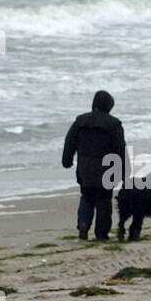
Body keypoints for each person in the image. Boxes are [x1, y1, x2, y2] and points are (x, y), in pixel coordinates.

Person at [61, 90, 127, 241]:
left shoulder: (80, 121)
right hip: (106, 169)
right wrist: (123, 171)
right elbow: (119, 149)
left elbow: (70, 142)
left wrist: (67, 160)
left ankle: (83, 224)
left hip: (85, 168)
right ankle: (101, 233)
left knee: (87, 197)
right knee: (104, 200)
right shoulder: (113, 124)